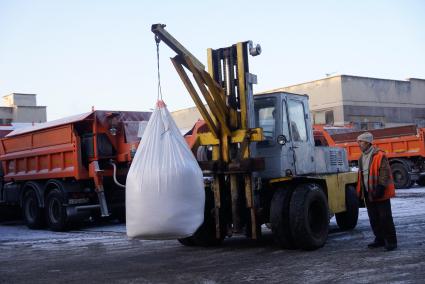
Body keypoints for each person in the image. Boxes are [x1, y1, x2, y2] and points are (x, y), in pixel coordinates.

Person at [356, 132, 397, 251]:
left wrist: (381, 188)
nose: (359, 144)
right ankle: (379, 239)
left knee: (385, 218)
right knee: (373, 218)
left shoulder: (379, 155)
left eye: (361, 142)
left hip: (380, 192)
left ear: (368, 142)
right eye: (358, 142)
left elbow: (384, 172)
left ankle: (391, 241)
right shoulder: (361, 157)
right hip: (368, 193)